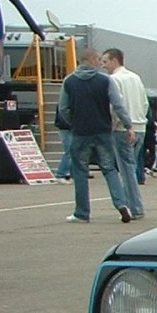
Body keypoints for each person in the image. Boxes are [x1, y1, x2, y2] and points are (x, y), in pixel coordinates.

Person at [56, 47, 135, 223]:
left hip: (80, 133)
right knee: (109, 169)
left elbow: (63, 109)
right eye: (99, 59)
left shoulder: (69, 82)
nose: (101, 62)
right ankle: (122, 204)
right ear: (91, 60)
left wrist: (74, 122)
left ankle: (82, 213)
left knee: (80, 171)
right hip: (103, 132)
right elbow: (118, 105)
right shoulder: (105, 80)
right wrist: (128, 125)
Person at [101, 48, 147, 219]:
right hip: (140, 125)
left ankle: (135, 207)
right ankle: (132, 204)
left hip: (123, 129)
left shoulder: (113, 79)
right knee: (131, 167)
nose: (103, 66)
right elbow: (144, 102)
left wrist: (115, 125)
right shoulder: (136, 78)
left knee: (126, 170)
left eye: (105, 62)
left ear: (114, 60)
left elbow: (115, 106)